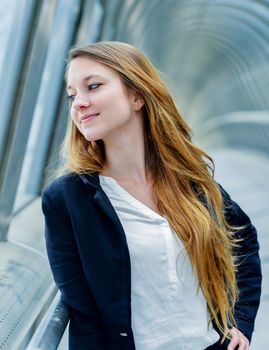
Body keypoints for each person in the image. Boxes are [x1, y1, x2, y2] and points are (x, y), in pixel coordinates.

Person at [41, 41, 262, 350]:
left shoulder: (187, 180)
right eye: (72, 95)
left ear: (137, 96)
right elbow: (85, 314)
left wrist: (240, 323)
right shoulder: (67, 199)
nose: (78, 103)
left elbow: (245, 242)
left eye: (93, 86)